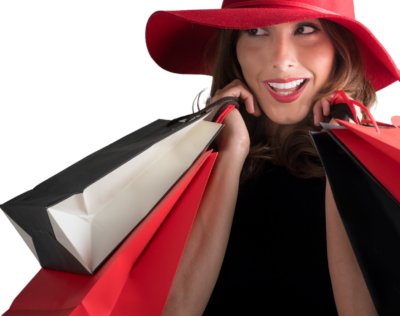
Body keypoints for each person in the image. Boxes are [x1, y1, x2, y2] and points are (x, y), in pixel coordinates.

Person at [145, 0, 400, 315]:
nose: (281, 60)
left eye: (305, 29)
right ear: (234, 47)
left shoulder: (388, 170)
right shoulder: (173, 170)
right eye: (256, 30)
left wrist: (344, 146)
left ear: (340, 47)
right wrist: (229, 150)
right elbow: (173, 309)